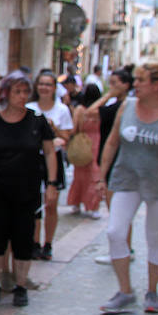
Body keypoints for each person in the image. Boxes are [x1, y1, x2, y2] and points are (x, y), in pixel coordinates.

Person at [96, 62, 158, 315]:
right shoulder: (127, 107)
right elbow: (112, 142)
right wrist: (101, 175)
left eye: (140, 80)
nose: (135, 84)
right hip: (127, 178)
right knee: (115, 232)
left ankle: (152, 291)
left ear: (156, 85)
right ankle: (125, 291)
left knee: (154, 238)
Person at [0, 71, 57, 307]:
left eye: (24, 92)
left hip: (27, 190)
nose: (22, 96)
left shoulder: (37, 120)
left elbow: (49, 152)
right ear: (6, 94)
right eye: (17, 92)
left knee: (23, 237)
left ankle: (21, 285)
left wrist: (51, 184)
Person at [88, 67, 133, 263]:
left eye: (116, 83)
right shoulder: (118, 104)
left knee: (117, 208)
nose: (112, 87)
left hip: (119, 158)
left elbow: (91, 112)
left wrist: (108, 95)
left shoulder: (124, 106)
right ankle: (124, 249)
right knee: (117, 207)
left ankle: (121, 250)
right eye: (111, 83)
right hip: (111, 155)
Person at [28, 69, 73, 259]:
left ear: (54, 88)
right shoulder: (29, 107)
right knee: (33, 203)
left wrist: (52, 128)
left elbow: (67, 137)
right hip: (32, 158)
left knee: (51, 203)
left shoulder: (62, 110)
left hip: (52, 158)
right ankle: (34, 241)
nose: (44, 88)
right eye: (41, 84)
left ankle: (48, 243)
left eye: (48, 84)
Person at [66, 83, 103, 218]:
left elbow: (74, 128)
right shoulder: (101, 110)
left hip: (81, 144)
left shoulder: (80, 110)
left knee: (79, 176)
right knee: (94, 176)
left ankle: (76, 203)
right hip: (97, 143)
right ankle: (93, 207)